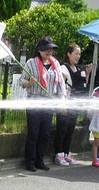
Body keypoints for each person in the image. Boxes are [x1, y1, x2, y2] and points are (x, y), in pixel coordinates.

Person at [20, 37, 66, 172]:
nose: (49, 51)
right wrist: (29, 83)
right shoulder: (31, 63)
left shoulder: (55, 63)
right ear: (40, 50)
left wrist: (62, 100)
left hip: (49, 103)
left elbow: (61, 84)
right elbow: (21, 81)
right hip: (34, 102)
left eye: (51, 49)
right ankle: (30, 161)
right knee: (33, 133)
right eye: (47, 49)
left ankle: (40, 160)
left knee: (45, 134)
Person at [54, 44, 92, 166]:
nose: (78, 56)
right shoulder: (63, 68)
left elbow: (82, 86)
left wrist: (87, 74)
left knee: (70, 131)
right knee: (62, 130)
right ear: (68, 54)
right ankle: (58, 155)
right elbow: (61, 87)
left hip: (74, 106)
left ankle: (66, 153)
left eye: (79, 54)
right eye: (76, 53)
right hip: (65, 104)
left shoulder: (78, 69)